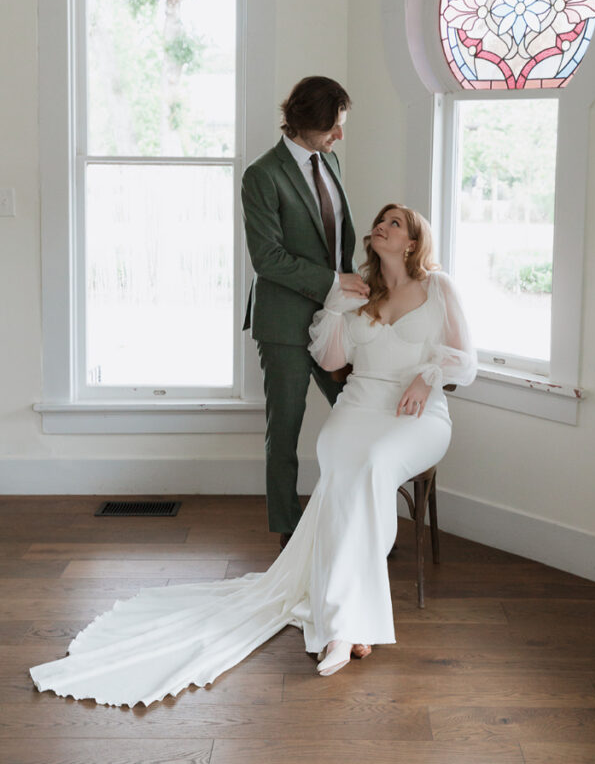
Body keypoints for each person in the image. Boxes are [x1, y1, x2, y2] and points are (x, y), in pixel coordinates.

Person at [29, 204, 476, 704]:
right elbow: (332, 360)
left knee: (370, 467)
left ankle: (346, 625)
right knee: (341, 460)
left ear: (413, 242)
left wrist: (426, 376)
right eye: (381, 220)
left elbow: (465, 358)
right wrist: (331, 307)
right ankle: (349, 619)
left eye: (395, 223)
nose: (382, 226)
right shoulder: (359, 294)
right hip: (358, 410)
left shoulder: (440, 288)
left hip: (416, 416)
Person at [241, 75, 369, 547]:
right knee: (287, 431)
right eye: (332, 127)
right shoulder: (262, 175)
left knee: (357, 412)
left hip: (336, 320)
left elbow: (335, 244)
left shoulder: (330, 161)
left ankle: (361, 519)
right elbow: (267, 258)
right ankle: (289, 533)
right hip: (284, 324)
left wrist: (352, 290)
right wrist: (333, 283)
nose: (340, 136)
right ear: (301, 123)